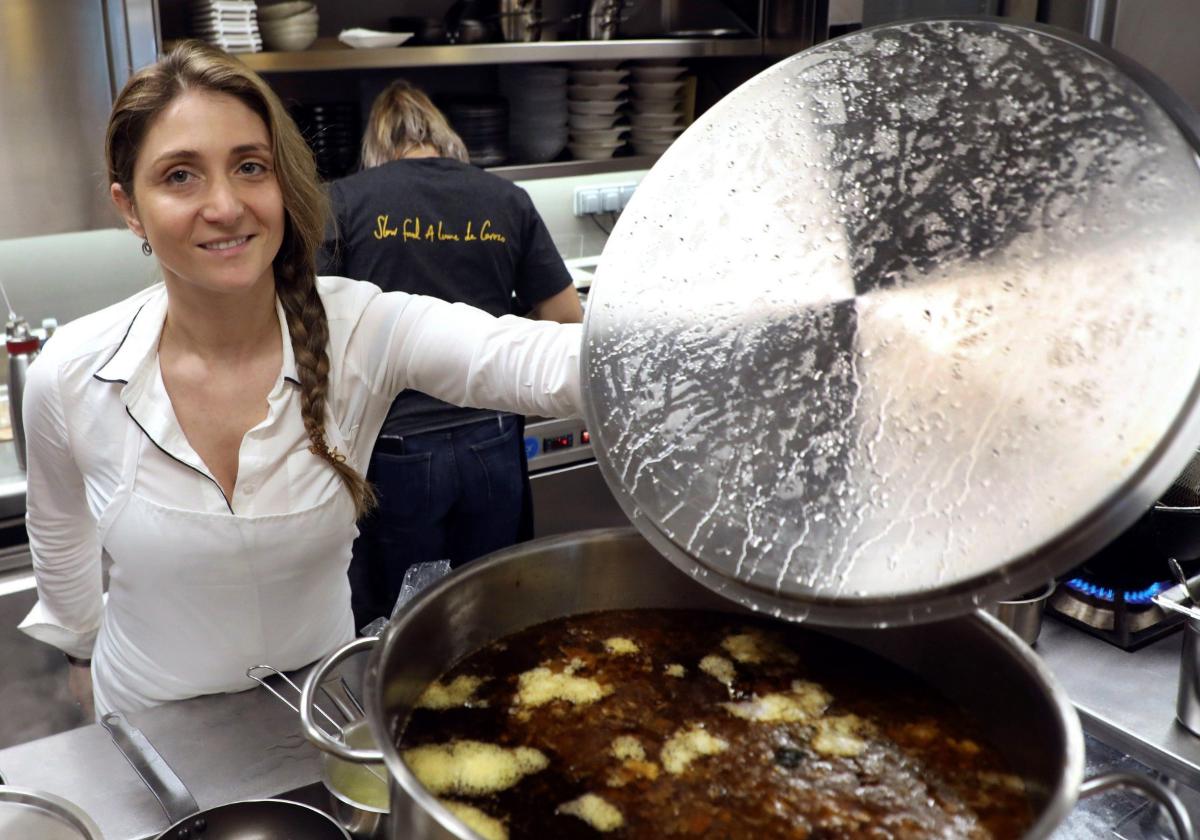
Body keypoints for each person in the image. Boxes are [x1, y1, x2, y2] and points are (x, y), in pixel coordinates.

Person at [17, 41, 583, 719]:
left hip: (320, 718)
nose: (225, 205)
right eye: (179, 176)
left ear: (281, 182)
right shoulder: (74, 370)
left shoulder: (363, 328)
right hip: (149, 724)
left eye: (249, 167)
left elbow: (540, 360)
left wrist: (708, 347)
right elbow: (60, 539)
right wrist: (80, 652)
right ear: (129, 206)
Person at [319, 80, 583, 628]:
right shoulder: (505, 198)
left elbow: (311, 332)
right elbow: (564, 320)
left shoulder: (343, 202)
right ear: (445, 137)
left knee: (404, 626)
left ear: (377, 146)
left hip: (393, 452)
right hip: (491, 439)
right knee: (495, 607)